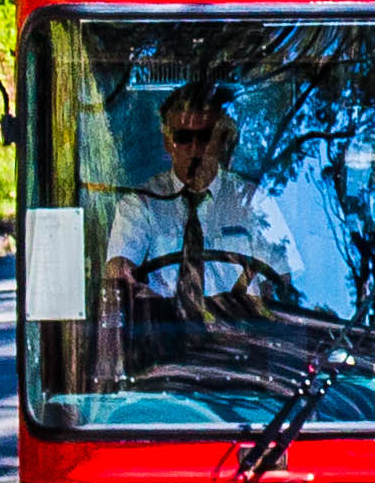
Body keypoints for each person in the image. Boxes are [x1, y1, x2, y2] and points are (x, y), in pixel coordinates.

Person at [92, 83, 301, 360]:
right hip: (165, 353)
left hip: (243, 351)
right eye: (183, 137)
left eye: (204, 137)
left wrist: (249, 302)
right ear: (168, 143)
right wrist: (163, 309)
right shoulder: (141, 204)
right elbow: (119, 271)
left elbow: (283, 278)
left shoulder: (253, 201)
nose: (195, 149)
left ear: (220, 141)